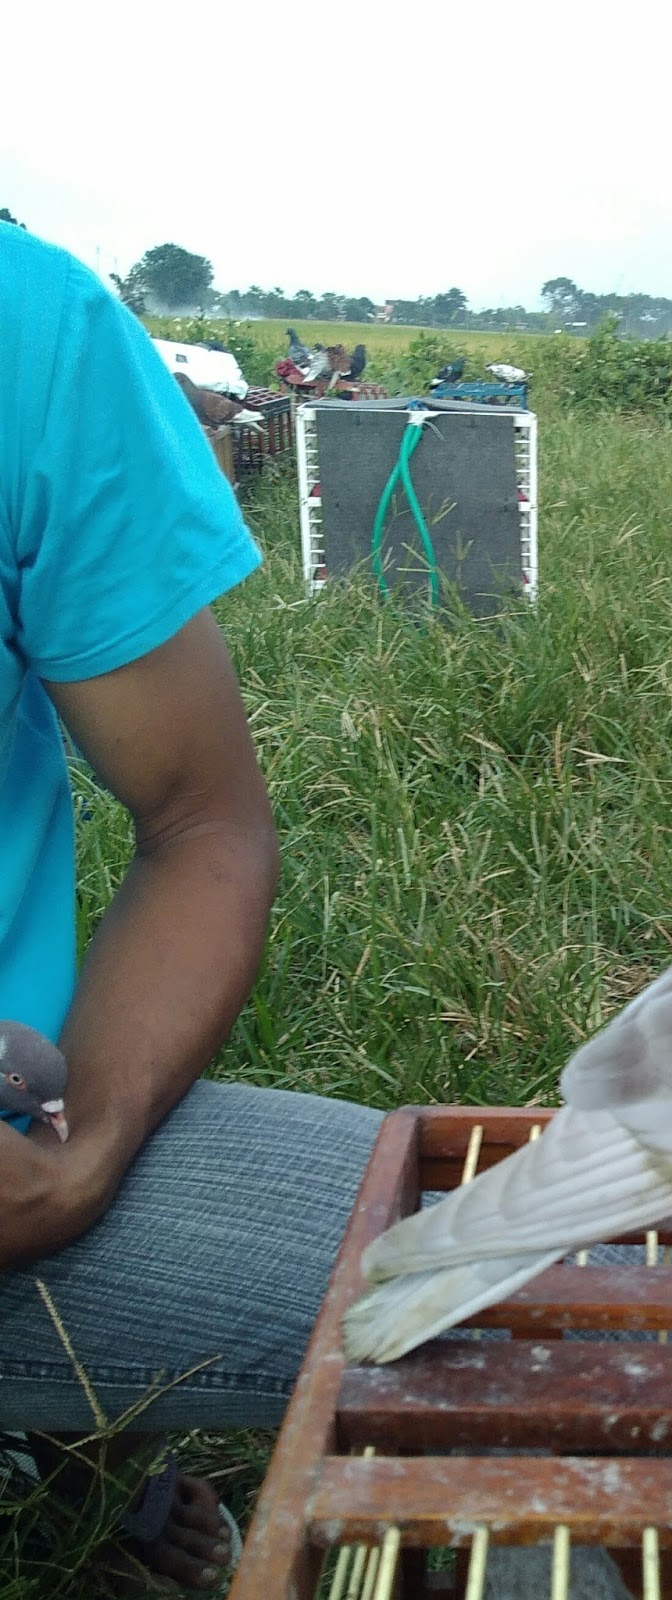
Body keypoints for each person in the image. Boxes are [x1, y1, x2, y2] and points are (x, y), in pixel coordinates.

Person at [0, 223, 385, 1591]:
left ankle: (87, 1458)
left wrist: (83, 1149)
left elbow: (203, 824)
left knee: (519, 1309)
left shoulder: (25, 326)